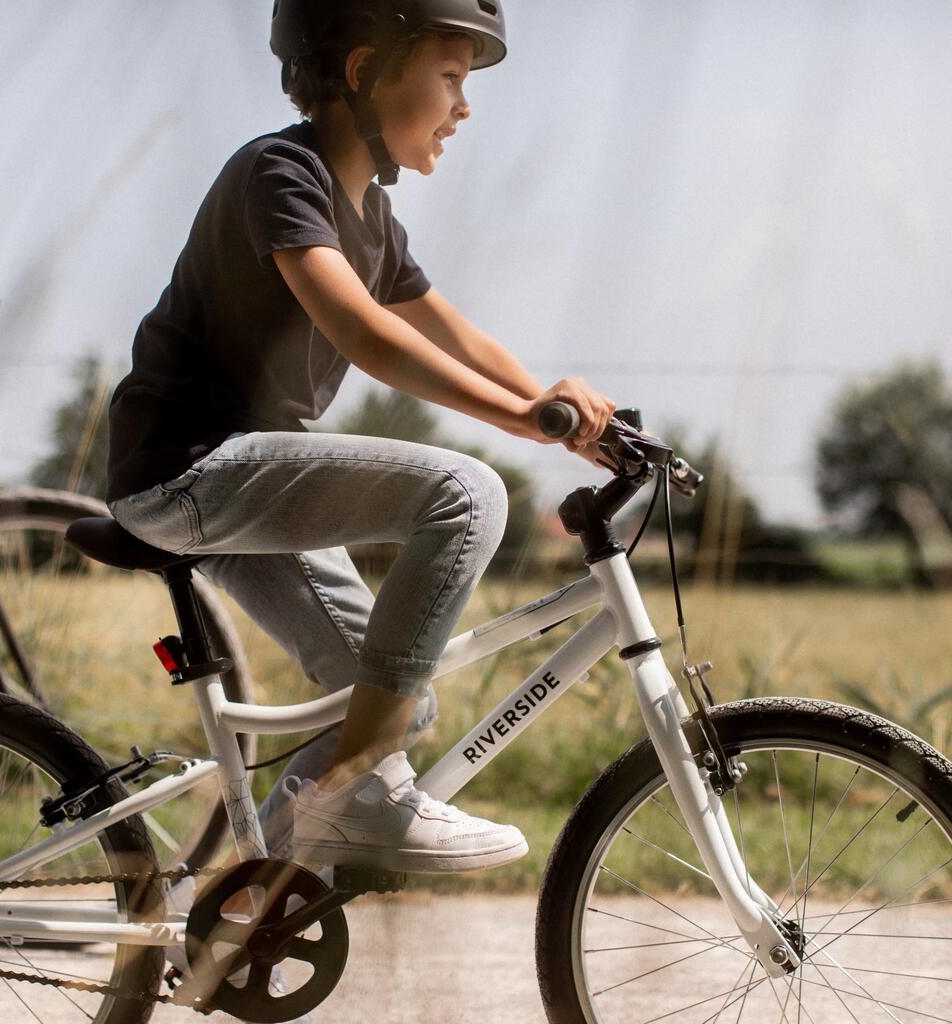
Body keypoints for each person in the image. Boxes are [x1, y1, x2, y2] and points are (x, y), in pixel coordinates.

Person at [106, 0, 615, 876]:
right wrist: (526, 423)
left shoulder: (374, 219)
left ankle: (230, 900)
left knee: (390, 702)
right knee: (466, 493)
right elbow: (369, 337)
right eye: (450, 76)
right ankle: (363, 793)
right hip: (189, 470)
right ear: (362, 71)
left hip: (243, 488)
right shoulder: (281, 172)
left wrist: (560, 414)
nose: (465, 107)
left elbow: (456, 335)